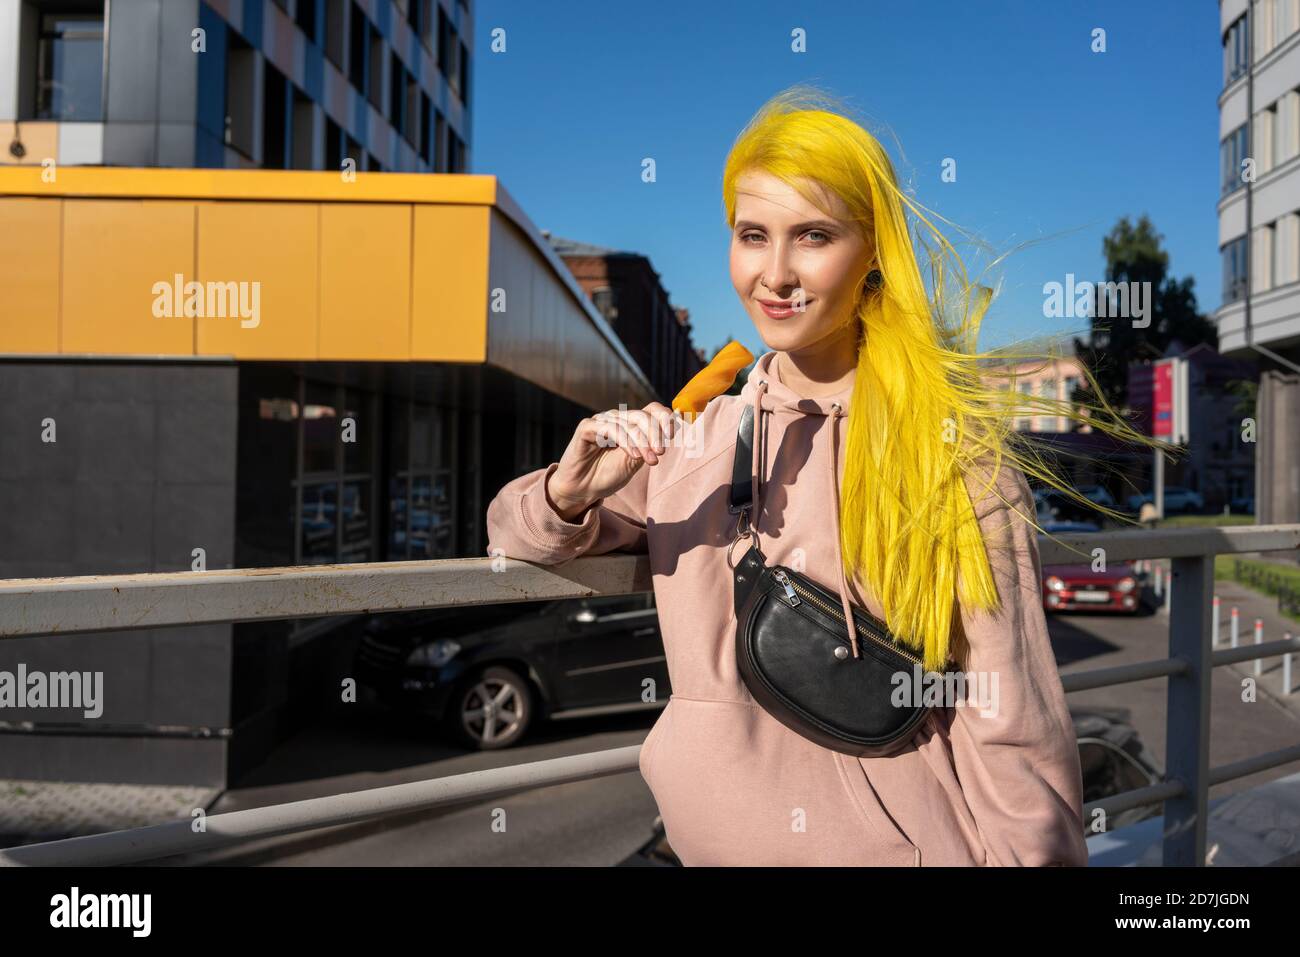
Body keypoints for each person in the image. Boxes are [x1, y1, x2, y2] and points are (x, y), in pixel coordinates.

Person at [485, 86, 1162, 866]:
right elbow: (512, 537)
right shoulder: (697, 440)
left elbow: (1008, 716)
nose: (774, 273)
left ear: (872, 253)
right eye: (751, 235)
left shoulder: (950, 450)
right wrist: (567, 492)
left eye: (812, 235)